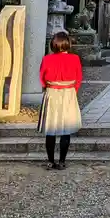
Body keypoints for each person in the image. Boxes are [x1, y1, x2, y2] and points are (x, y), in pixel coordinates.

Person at [38, 31, 83, 170]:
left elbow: (42, 77)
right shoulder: (75, 58)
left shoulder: (47, 59)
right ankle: (62, 160)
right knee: (65, 129)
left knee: (50, 129)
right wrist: (72, 90)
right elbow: (79, 77)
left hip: (52, 91)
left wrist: (48, 87)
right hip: (68, 91)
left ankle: (51, 161)